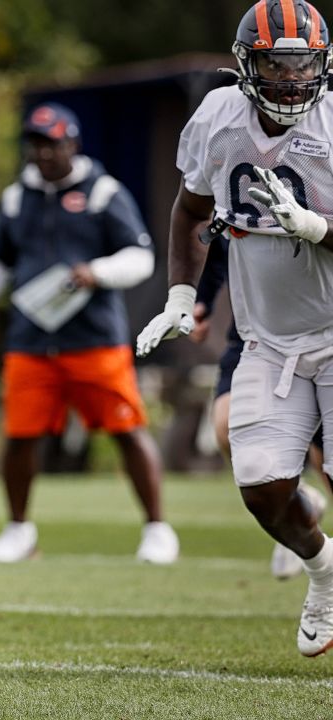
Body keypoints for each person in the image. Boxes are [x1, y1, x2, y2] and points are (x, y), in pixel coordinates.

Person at [137, 0, 333, 657]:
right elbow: (190, 209)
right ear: (247, 66)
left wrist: (321, 230)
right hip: (268, 341)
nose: (291, 80)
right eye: (276, 66)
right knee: (262, 488)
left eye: (303, 65)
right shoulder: (218, 118)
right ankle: (324, 572)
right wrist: (181, 295)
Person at [0, 102, 178, 564]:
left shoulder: (103, 192)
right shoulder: (16, 198)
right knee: (21, 436)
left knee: (126, 429)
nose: (42, 154)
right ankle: (19, 530)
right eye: (35, 145)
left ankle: (157, 529)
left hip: (94, 339)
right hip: (31, 339)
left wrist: (98, 272)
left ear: (72, 144)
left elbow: (141, 256)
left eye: (51, 144)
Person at [190, 235, 329, 580]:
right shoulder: (235, 186)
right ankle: (294, 509)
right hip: (257, 333)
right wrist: (199, 300)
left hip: (322, 329)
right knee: (227, 427)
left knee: (322, 454)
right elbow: (218, 239)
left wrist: (311, 226)